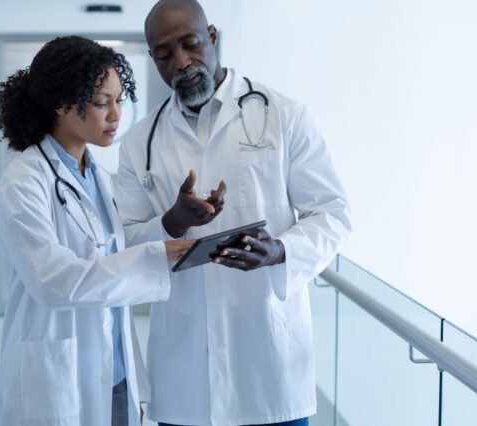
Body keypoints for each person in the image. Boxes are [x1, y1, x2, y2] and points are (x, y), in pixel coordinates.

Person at [115, 1, 352, 425]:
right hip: (185, 378)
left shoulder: (284, 116)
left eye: (190, 43)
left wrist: (280, 250)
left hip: (270, 366)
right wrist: (172, 221)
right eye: (165, 54)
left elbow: (332, 213)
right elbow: (127, 242)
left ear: (212, 36)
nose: (182, 63)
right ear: (153, 60)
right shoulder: (138, 142)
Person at [0, 36, 201, 426]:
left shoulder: (99, 179)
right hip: (59, 378)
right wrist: (155, 259)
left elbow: (113, 252)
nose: (116, 115)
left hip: (116, 371)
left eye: (120, 100)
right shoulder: (24, 182)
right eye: (101, 103)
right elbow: (53, 281)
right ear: (61, 103)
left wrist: (172, 226)